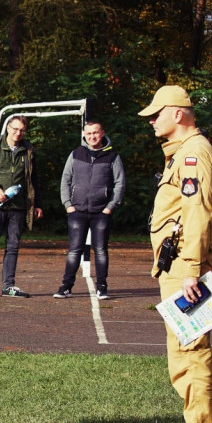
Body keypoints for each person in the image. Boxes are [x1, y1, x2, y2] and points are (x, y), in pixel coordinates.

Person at [139, 85, 212, 423]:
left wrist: (190, 270)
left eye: (157, 113)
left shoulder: (193, 155)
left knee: (191, 351)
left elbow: (197, 215)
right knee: (182, 351)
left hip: (185, 269)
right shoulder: (184, 153)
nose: (152, 120)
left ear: (178, 113)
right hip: (177, 267)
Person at [0, 116, 43, 298]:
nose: (18, 133)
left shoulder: (28, 150)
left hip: (18, 208)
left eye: (22, 130)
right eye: (15, 129)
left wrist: (37, 204)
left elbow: (34, 179)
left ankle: (8, 286)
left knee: (13, 246)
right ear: (7, 128)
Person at [53, 121, 125, 299]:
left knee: (100, 250)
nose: (92, 136)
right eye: (89, 133)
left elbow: (120, 183)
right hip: (77, 211)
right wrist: (67, 204)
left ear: (102, 133)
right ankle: (66, 286)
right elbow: (65, 180)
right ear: (84, 135)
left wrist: (110, 207)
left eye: (95, 133)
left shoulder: (113, 156)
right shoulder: (76, 154)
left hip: (101, 212)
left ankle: (102, 287)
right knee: (74, 250)